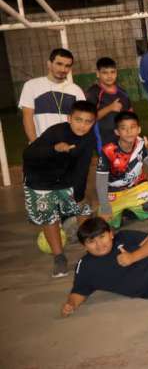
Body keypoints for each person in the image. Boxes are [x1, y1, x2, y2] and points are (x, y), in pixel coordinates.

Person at [22, 101, 97, 277]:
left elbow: (82, 168)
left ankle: (91, 248)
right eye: (78, 120)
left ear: (93, 122)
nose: (82, 125)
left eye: (88, 121)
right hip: (39, 179)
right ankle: (59, 257)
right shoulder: (56, 132)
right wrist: (54, 149)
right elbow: (29, 154)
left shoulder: (89, 138)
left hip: (64, 178)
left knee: (84, 208)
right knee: (49, 216)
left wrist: (78, 195)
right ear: (69, 118)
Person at [95, 111, 148, 236]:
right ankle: (115, 231)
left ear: (139, 129)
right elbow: (101, 181)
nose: (129, 131)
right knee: (104, 225)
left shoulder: (142, 144)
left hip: (137, 187)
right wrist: (105, 206)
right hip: (113, 192)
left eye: (132, 127)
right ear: (117, 132)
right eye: (124, 128)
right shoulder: (108, 150)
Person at [19, 48, 86, 142]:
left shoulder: (76, 90)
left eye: (67, 66)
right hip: (42, 144)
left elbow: (82, 119)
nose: (63, 69)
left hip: (69, 144)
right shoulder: (31, 86)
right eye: (59, 64)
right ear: (49, 64)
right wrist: (35, 144)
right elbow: (27, 117)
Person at [85, 56, 133, 149]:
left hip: (123, 138)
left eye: (112, 72)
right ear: (98, 74)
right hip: (104, 139)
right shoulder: (94, 92)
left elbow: (130, 115)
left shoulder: (122, 92)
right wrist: (110, 108)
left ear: (116, 73)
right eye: (105, 73)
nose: (109, 76)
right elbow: (89, 118)